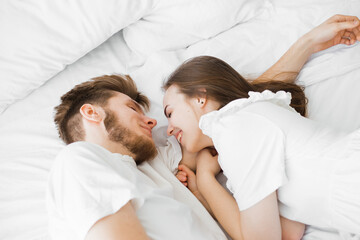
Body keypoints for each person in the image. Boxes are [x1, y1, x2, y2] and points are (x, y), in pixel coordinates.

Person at [162, 15, 360, 240]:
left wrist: (207, 180)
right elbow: (289, 233)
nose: (168, 129)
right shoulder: (247, 128)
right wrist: (204, 194)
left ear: (200, 97)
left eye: (170, 113)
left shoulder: (235, 126)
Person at [46, 74, 228, 240]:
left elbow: (206, 136)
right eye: (132, 108)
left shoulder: (154, 164)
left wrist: (204, 182)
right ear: (92, 113)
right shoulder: (77, 160)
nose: (153, 121)